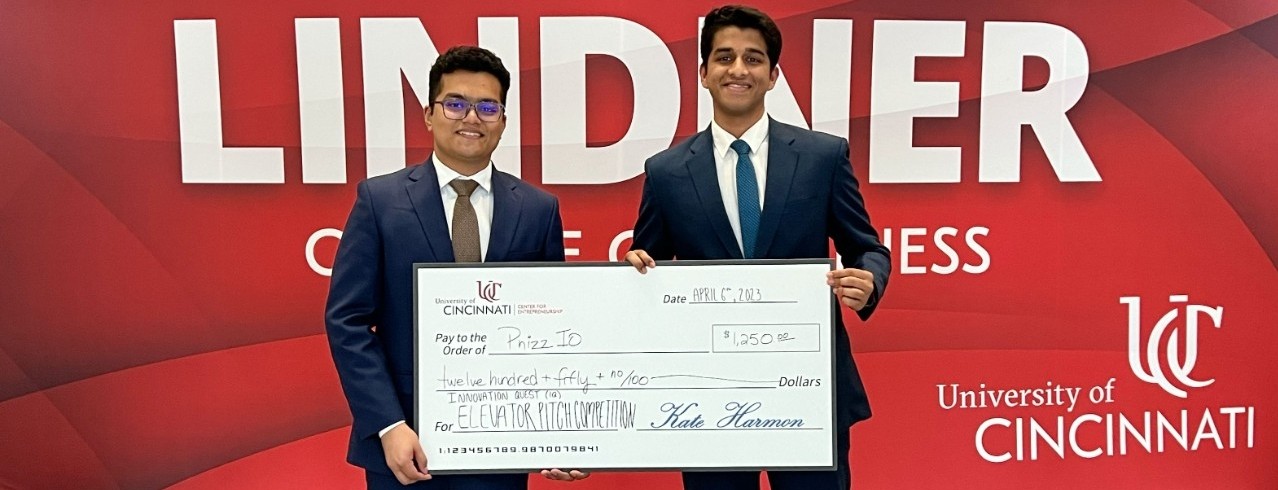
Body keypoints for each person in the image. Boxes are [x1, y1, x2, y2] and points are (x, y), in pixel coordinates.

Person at [624, 5, 891, 489]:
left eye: (753, 58)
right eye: (724, 58)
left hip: (808, 391)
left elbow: (868, 248)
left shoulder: (822, 157)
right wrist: (636, 270)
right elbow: (649, 264)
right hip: (706, 401)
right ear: (704, 73)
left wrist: (868, 279)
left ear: (773, 75)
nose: (738, 69)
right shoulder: (665, 172)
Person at [326, 45, 586, 489]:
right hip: (404, 448)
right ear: (429, 114)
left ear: (503, 121)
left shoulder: (539, 210)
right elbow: (347, 320)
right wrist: (388, 425)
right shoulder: (380, 201)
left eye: (488, 107)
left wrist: (559, 432)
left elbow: (550, 333)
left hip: (502, 449)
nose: (471, 118)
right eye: (455, 104)